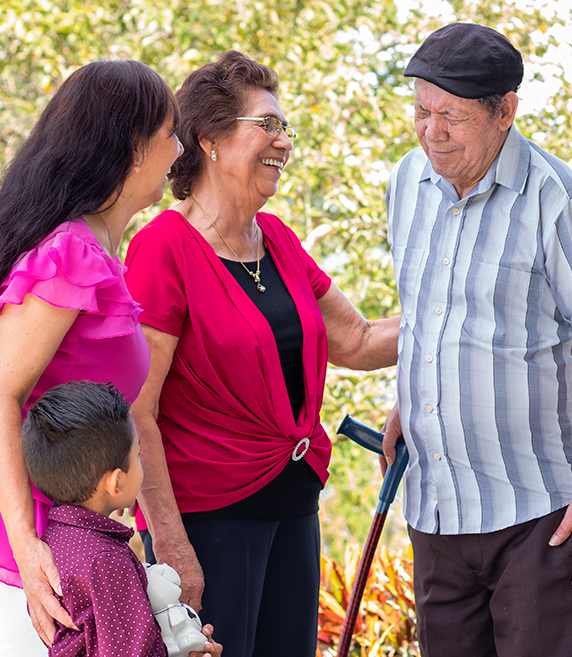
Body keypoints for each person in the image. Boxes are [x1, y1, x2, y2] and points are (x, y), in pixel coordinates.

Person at [0, 60, 182, 656]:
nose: (180, 148)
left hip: (46, 513)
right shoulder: (70, 252)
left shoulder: (99, 247)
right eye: (171, 132)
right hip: (2, 519)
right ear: (132, 146)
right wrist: (27, 547)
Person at [124, 51, 398, 656]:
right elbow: (135, 408)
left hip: (293, 503)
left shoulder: (276, 239)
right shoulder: (162, 247)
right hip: (206, 522)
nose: (283, 141)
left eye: (284, 128)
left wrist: (461, 314)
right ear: (211, 140)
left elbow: (356, 340)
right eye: (266, 125)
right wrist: (170, 545)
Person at [380, 23, 572, 657]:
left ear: (506, 112)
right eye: (421, 111)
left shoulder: (558, 201)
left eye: (452, 117)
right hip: (436, 510)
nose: (431, 132)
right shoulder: (404, 185)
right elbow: (430, 315)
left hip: (537, 516)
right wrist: (412, 401)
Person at [22, 381, 222, 657]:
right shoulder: (106, 561)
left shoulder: (55, 540)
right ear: (117, 483)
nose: (140, 461)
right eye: (137, 454)